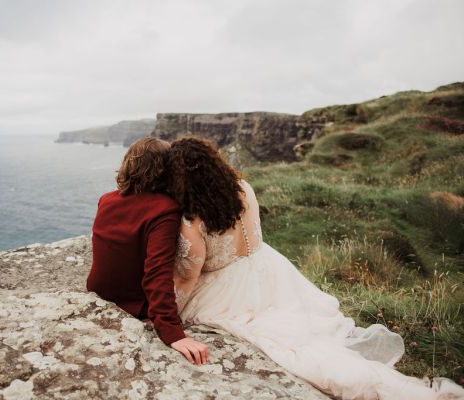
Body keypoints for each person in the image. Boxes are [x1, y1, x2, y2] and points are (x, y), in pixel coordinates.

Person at [166, 136, 464, 400]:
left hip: (229, 289)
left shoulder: (194, 222)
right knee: (301, 330)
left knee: (294, 345)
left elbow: (186, 278)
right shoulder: (243, 188)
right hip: (269, 270)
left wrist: (164, 316)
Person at [86, 137, 209, 365]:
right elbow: (157, 271)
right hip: (131, 302)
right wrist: (172, 332)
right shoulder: (165, 208)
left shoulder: (106, 200)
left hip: (98, 290)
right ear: (167, 170)